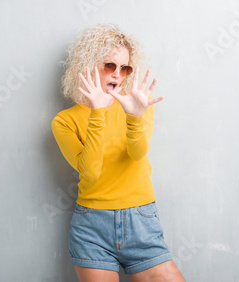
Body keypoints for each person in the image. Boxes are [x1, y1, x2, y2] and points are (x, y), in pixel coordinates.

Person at [51, 24, 185, 282]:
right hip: (92, 226)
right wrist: (97, 112)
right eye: (110, 65)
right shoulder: (64, 121)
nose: (118, 74)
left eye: (125, 68)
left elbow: (137, 153)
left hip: (141, 220)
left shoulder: (137, 104)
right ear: (87, 64)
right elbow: (90, 171)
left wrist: (135, 117)